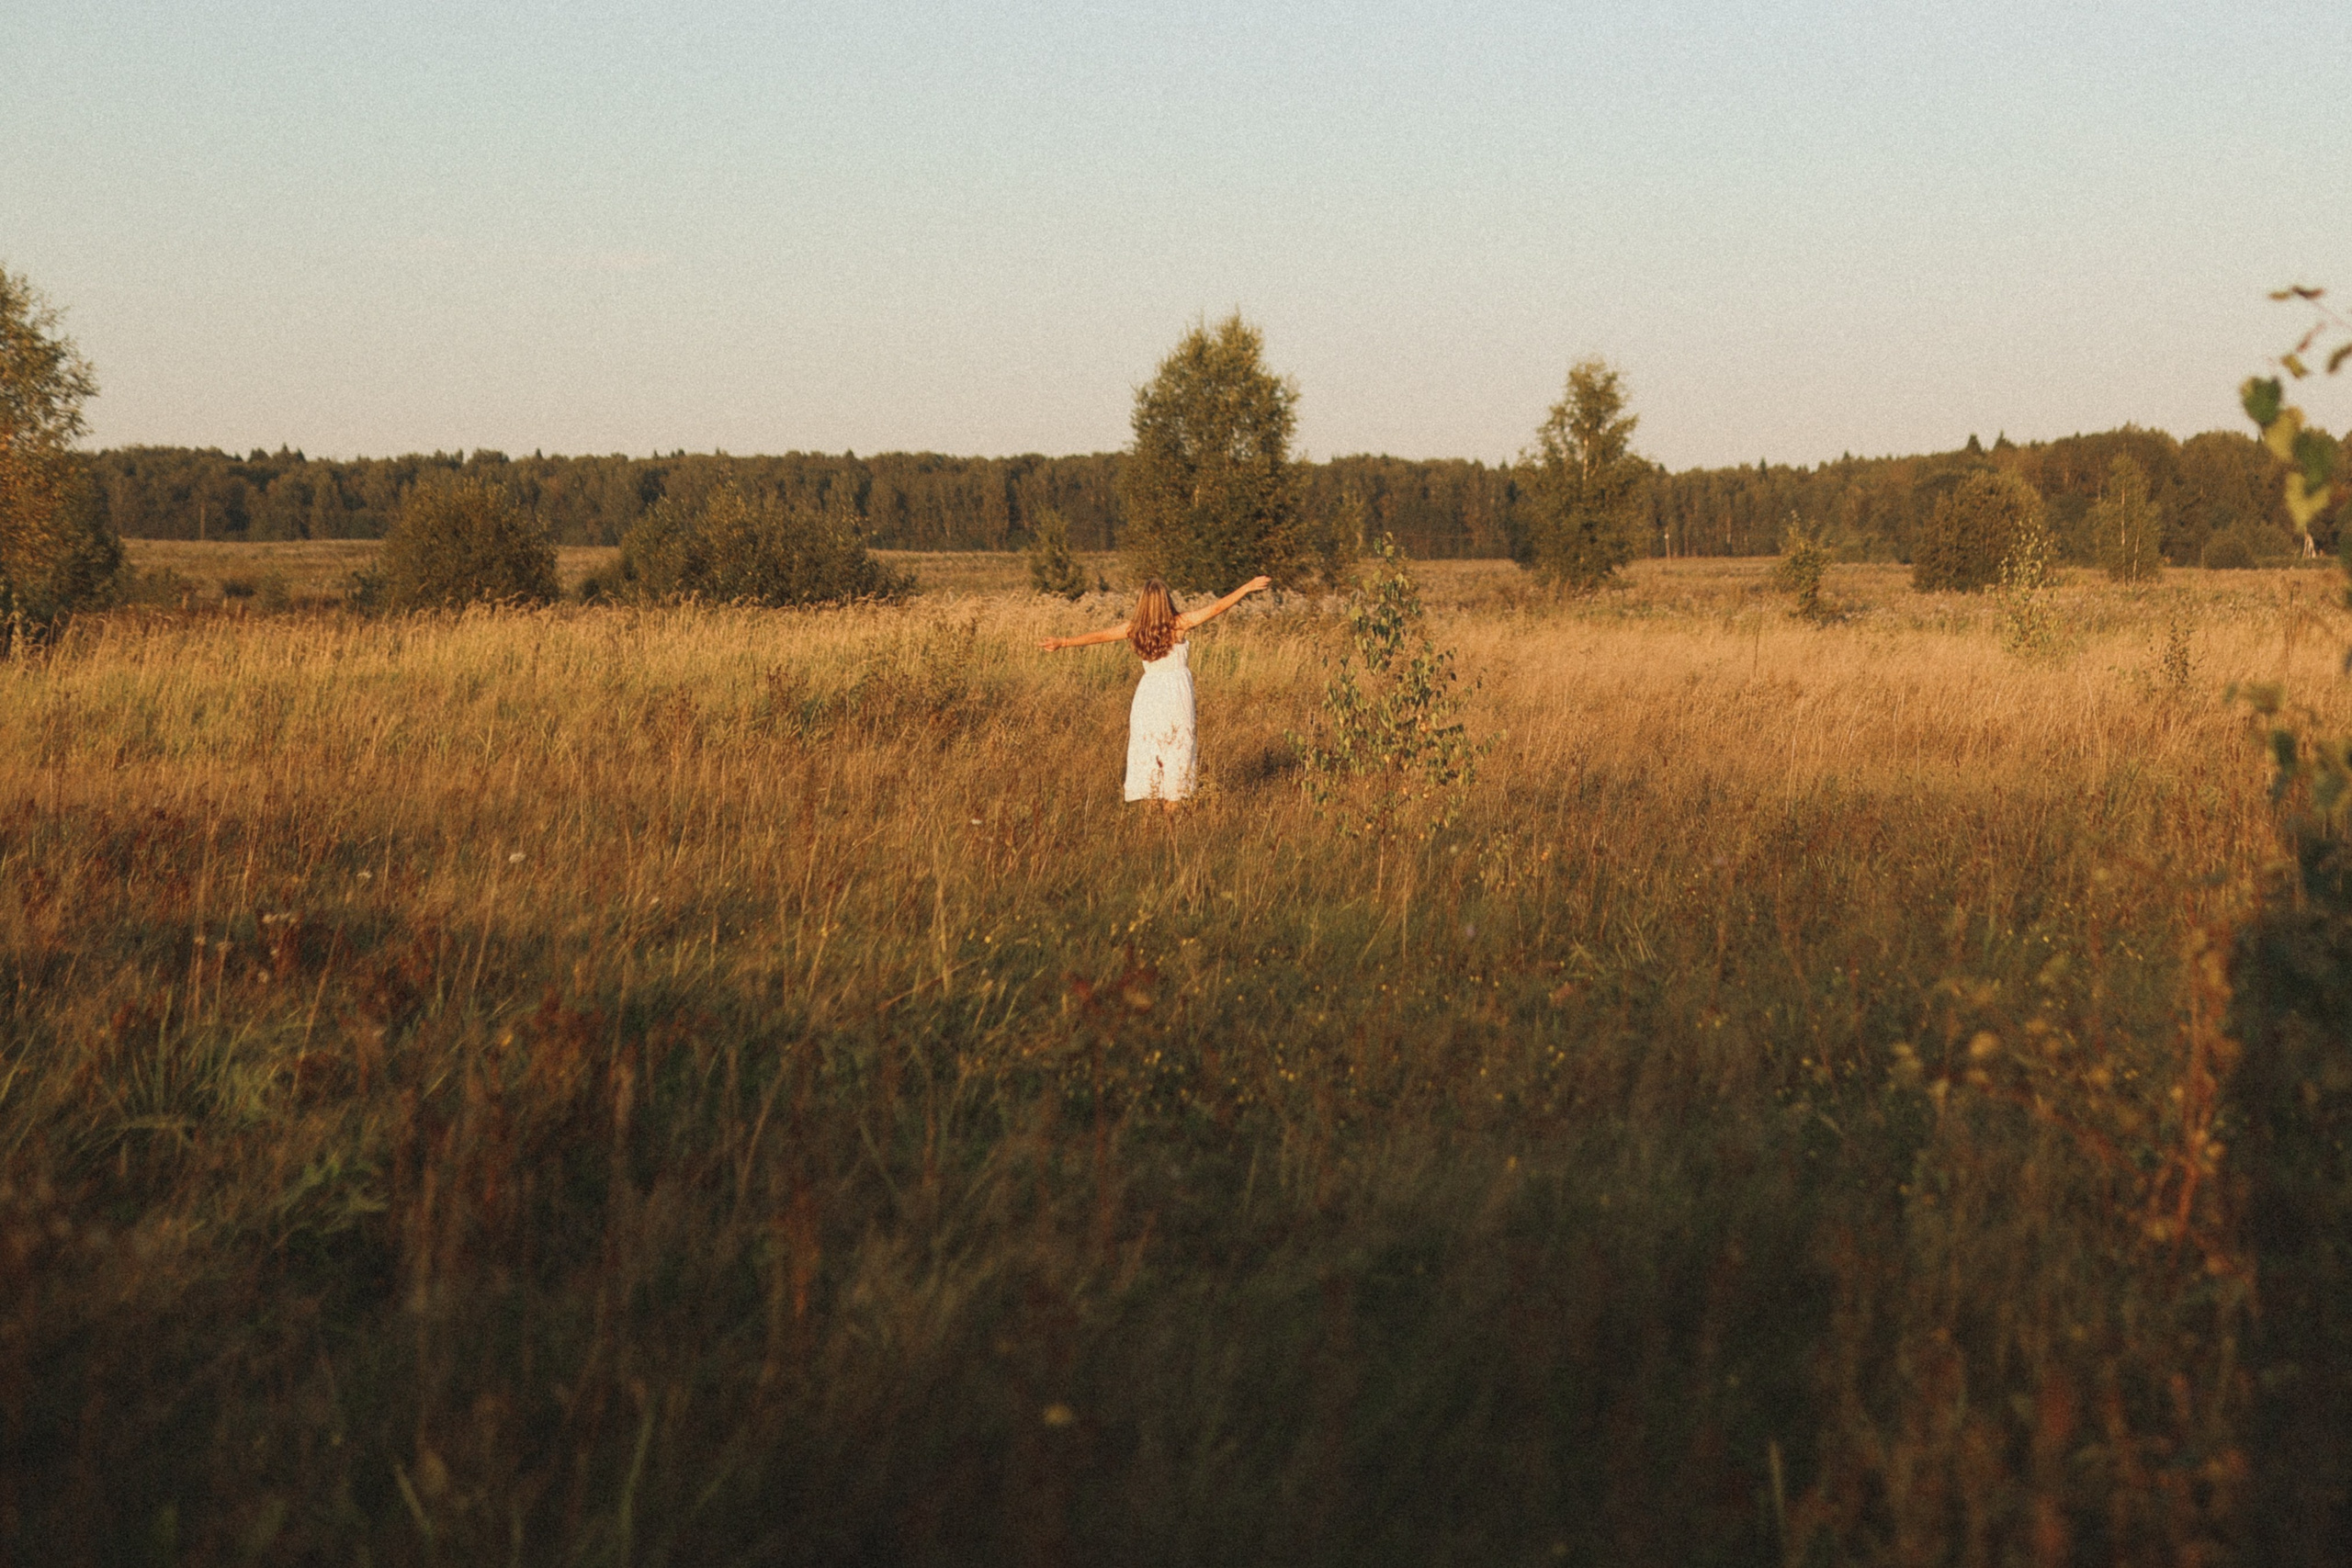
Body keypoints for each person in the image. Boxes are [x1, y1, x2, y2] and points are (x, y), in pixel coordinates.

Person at [1039, 574, 1273, 806]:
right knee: (1177, 746)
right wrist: (1246, 588)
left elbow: (1100, 636)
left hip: (1148, 693)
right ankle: (1172, 806)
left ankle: (1151, 805)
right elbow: (1216, 608)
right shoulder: (1179, 625)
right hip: (1176, 695)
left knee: (1149, 748)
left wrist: (1064, 642)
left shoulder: (1134, 629)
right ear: (1166, 600)